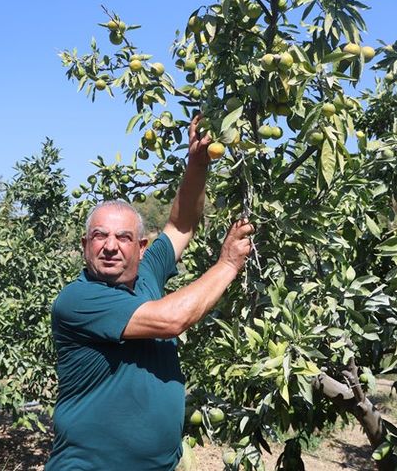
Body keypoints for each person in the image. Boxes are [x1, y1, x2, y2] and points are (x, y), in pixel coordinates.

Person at [45, 115, 255, 470]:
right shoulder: (79, 300)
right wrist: (228, 265)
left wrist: (197, 165)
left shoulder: (146, 276)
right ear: (84, 245)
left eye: (123, 237)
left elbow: (180, 225)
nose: (111, 247)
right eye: (100, 236)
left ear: (141, 247)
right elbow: (171, 320)